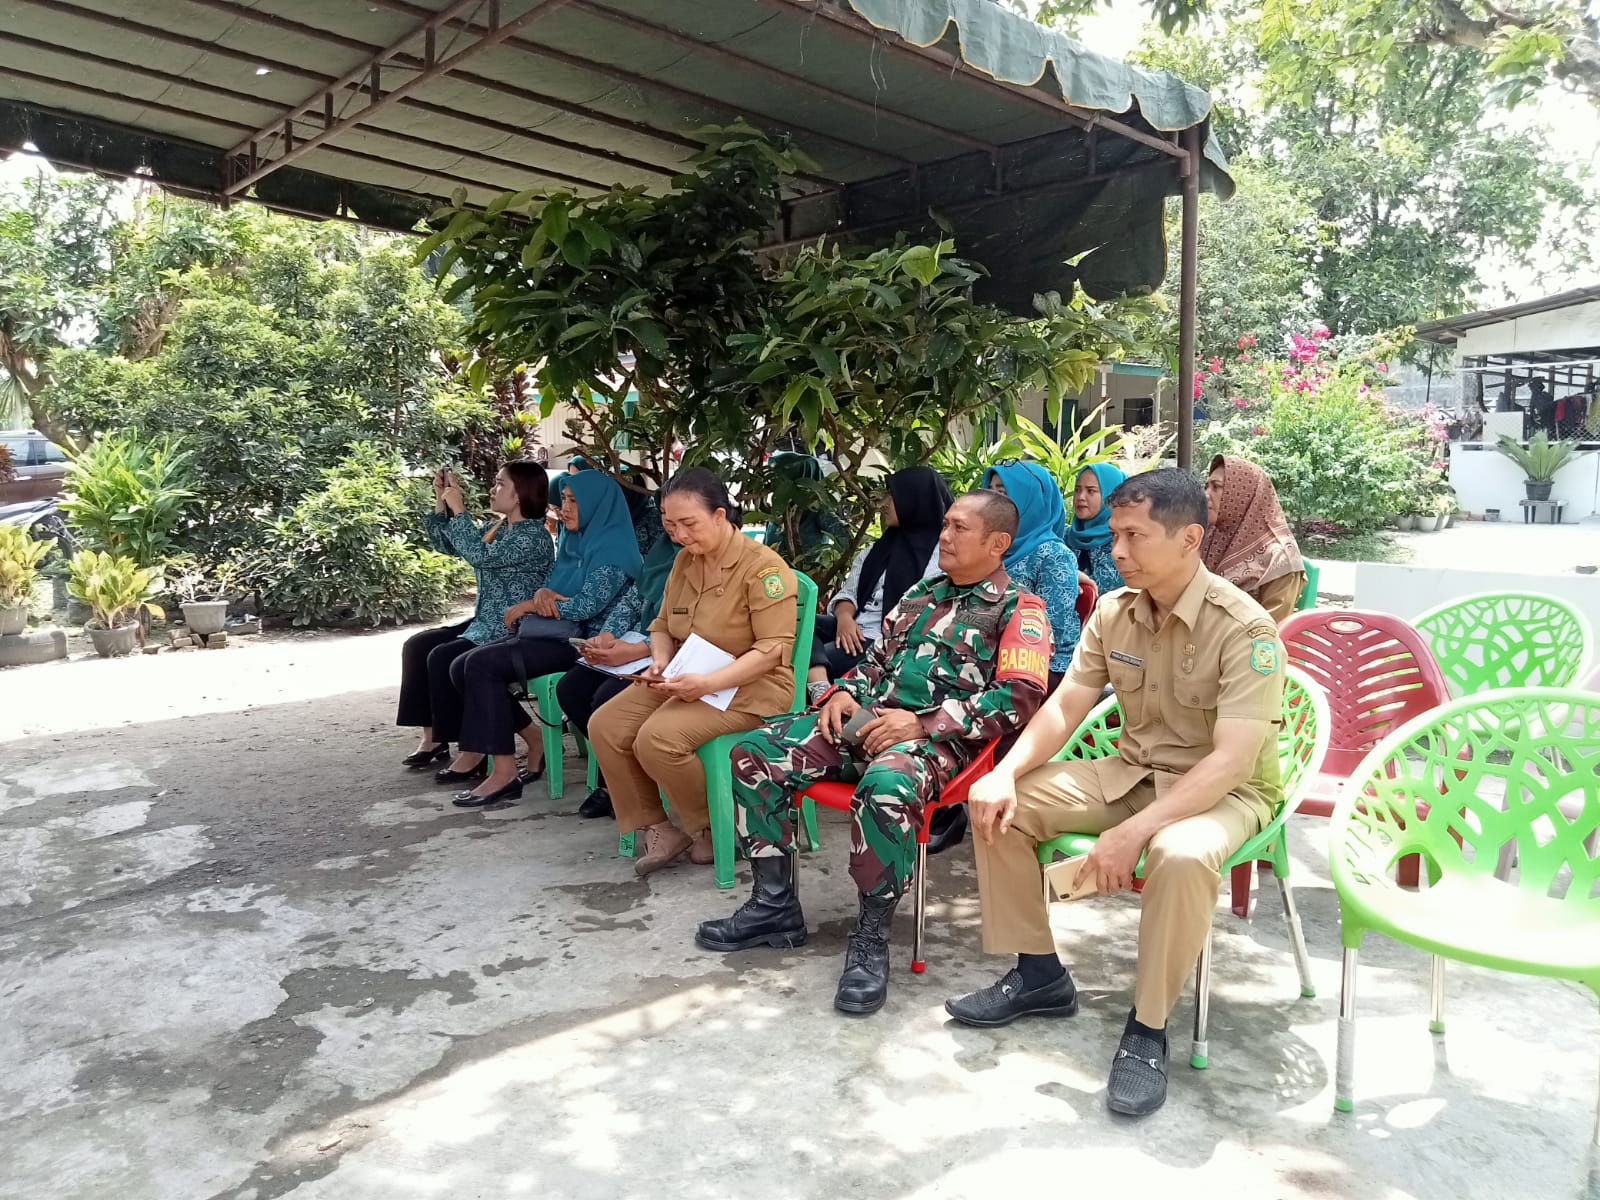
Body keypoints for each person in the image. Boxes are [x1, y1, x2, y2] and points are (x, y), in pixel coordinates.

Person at [945, 469, 1285, 1118]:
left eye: (1134, 536)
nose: (1118, 550)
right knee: (999, 807)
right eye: (1116, 535)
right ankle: (1039, 973)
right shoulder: (1113, 611)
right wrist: (1005, 772)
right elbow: (1065, 705)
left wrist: (1133, 833)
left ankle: (1147, 1029)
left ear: (1189, 539)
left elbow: (1232, 760)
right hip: (1131, 771)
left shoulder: (1245, 629)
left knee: (1180, 855)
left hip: (1223, 791)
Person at [695, 490, 1051, 1015]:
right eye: (945, 525)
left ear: (998, 543)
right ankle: (774, 906)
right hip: (870, 722)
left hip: (940, 742)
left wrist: (922, 723)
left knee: (885, 787)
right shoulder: (922, 594)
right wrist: (844, 693)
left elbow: (1019, 697)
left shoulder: (1020, 609)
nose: (945, 536)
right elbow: (876, 663)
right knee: (755, 753)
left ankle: (870, 937)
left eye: (959, 528)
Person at [589, 468, 799, 875]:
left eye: (689, 524)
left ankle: (710, 828)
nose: (680, 535)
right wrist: (660, 661)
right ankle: (659, 827)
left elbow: (772, 651)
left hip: (751, 687)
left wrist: (708, 683)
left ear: (720, 515)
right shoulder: (685, 561)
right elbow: (662, 625)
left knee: (658, 739)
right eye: (670, 525)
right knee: (606, 725)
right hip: (687, 676)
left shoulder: (763, 569)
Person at [445, 471, 645, 808]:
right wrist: (541, 595)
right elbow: (551, 589)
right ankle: (530, 739)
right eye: (563, 499)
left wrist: (531, 604)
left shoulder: (613, 550)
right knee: (461, 665)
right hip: (560, 635)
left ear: (597, 505)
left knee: (481, 665)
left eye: (573, 501)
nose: (564, 508)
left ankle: (505, 772)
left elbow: (585, 606)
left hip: (587, 643)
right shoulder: (573, 541)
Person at [396, 464, 553, 772]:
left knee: (443, 657)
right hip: (484, 621)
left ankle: (474, 748)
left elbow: (480, 555)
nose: (493, 489)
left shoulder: (533, 537)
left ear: (520, 493)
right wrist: (441, 501)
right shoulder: (499, 528)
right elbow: (448, 544)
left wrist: (459, 510)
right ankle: (434, 737)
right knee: (418, 645)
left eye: (500, 484)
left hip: (510, 626)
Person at [556, 526, 681, 820]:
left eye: (684, 519)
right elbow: (635, 600)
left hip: (676, 654)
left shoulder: (702, 560)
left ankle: (618, 786)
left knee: (606, 699)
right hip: (639, 642)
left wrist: (640, 650)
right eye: (666, 517)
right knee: (571, 689)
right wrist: (608, 635)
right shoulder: (661, 553)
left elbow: (689, 625)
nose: (673, 527)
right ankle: (621, 773)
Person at [811, 465, 951, 687]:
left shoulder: (942, 559)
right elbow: (849, 593)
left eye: (892, 496)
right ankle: (818, 683)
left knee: (800, 655)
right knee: (796, 623)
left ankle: (815, 681)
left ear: (913, 501)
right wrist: (845, 618)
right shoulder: (878, 549)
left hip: (885, 643)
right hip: (852, 627)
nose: (884, 503)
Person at [981, 461, 1080, 690]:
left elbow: (1054, 630)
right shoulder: (990, 546)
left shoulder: (1053, 555)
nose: (993, 503)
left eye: (1003, 494)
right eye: (991, 492)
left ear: (1029, 500)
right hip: (984, 654)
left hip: (1037, 666)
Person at [1201, 455, 1306, 624]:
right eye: (1206, 487)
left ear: (1242, 494)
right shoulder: (1211, 535)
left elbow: (1268, 628)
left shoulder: (1280, 559)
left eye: (1216, 487)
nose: (1206, 495)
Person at [763, 450, 847, 566]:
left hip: (806, 576)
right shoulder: (780, 508)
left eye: (782, 477)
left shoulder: (818, 512)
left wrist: (829, 566)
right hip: (772, 574)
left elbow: (847, 542)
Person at [1067, 462, 1127, 598]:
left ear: (1111, 496)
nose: (1081, 497)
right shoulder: (1065, 537)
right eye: (1077, 490)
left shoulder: (1120, 542)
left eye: (1091, 491)